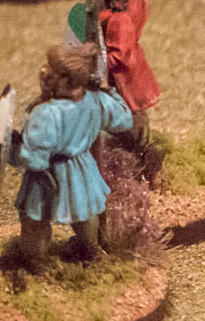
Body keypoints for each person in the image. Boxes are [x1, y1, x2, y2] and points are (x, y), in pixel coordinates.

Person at [10, 44, 134, 262]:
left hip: (46, 178)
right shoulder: (96, 100)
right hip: (83, 172)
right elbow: (124, 120)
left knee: (34, 220)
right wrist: (107, 92)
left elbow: (35, 160)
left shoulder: (46, 114)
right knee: (84, 212)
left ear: (66, 80)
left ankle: (34, 262)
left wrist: (9, 151)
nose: (44, 71)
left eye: (51, 69)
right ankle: (92, 250)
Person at [82, 0, 160, 145]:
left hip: (125, 76)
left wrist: (97, 58)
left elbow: (121, 58)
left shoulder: (119, 20)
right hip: (130, 64)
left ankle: (136, 145)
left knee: (130, 111)